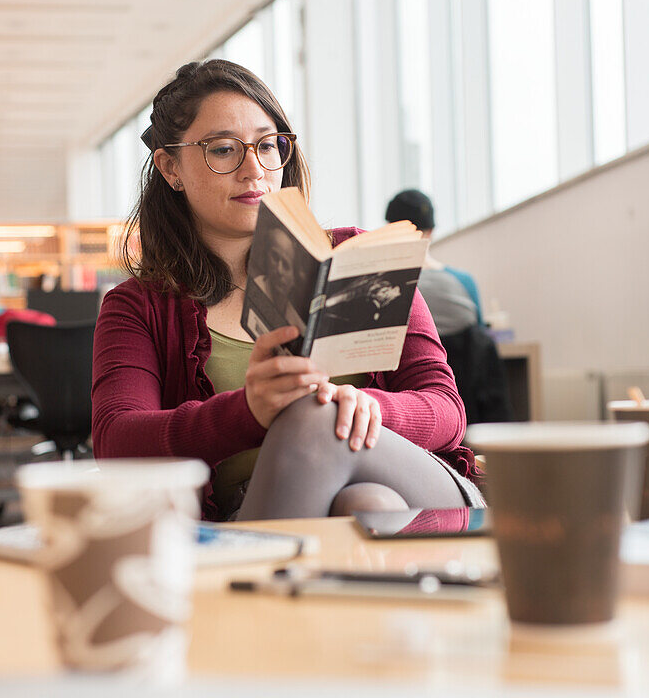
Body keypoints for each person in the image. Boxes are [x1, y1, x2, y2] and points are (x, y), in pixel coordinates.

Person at [91, 60, 484, 521]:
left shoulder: (354, 258)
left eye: (267, 145)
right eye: (223, 150)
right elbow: (117, 440)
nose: (254, 170)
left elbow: (445, 408)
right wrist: (248, 412)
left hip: (420, 482)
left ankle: (243, 589)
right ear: (170, 167)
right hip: (268, 508)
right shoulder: (138, 306)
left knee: (320, 419)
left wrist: (365, 409)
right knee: (365, 507)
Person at [385, 189, 484, 337]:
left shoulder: (385, 285)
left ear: (389, 231)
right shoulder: (465, 282)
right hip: (459, 360)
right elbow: (481, 338)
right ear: (431, 231)